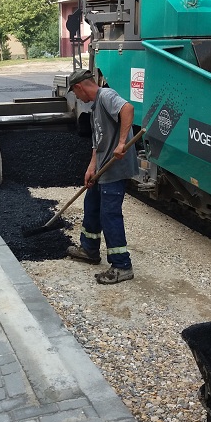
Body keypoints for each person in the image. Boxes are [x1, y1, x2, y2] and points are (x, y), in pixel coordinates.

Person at [66, 69, 138, 284]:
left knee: (110, 215)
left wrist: (122, 143)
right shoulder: (95, 107)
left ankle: (122, 266)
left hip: (115, 169)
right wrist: (91, 167)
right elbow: (97, 142)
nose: (77, 97)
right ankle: (89, 250)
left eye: (75, 93)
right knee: (92, 205)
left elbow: (128, 108)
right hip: (101, 169)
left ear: (79, 87)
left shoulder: (106, 96)